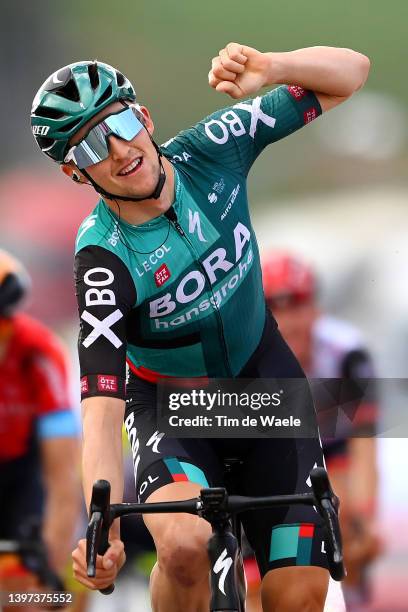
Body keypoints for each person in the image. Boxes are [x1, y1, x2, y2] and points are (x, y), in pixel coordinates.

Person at [30, 43, 370, 612]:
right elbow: (101, 399)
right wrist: (103, 517)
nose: (117, 150)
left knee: (297, 596)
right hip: (173, 407)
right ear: (74, 171)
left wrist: (274, 69)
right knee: (187, 545)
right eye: (90, 144)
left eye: (118, 122)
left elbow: (352, 73)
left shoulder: (214, 148)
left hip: (265, 388)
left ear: (143, 117)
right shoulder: (103, 258)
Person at [261, 251, 382, 608]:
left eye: (298, 305)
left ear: (316, 307)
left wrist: (363, 519)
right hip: (276, 455)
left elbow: (363, 447)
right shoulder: (248, 355)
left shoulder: (346, 352)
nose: (291, 321)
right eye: (276, 309)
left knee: (349, 517)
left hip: (332, 455)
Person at [0, 250, 81, 597]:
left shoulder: (39, 353)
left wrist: (46, 570)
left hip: (22, 474)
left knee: (31, 586)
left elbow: (63, 482)